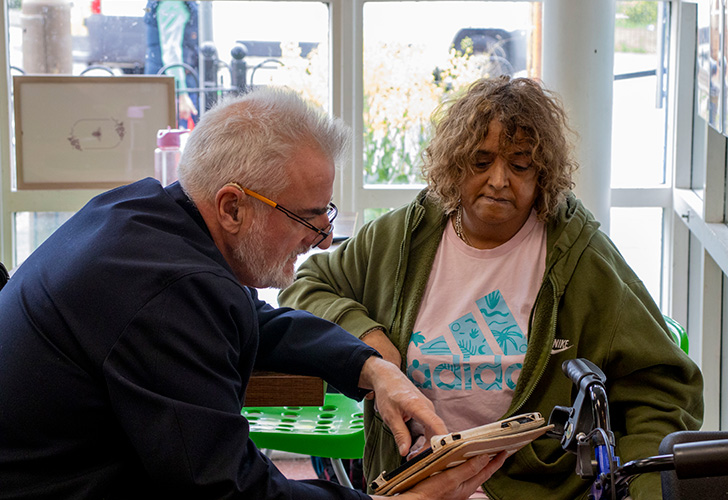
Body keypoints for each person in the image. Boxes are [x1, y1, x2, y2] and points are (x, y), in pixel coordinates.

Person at [0, 87, 508, 499]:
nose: (325, 238)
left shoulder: (147, 218)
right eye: (307, 216)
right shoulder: (169, 291)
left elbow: (253, 320)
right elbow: (228, 490)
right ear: (233, 207)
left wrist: (372, 369)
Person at [279, 75, 704, 499]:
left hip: (536, 490)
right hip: (411, 484)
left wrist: (645, 488)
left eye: (519, 165)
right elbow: (307, 285)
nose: (499, 180)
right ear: (454, 163)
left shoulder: (581, 256)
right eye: (481, 162)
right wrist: (368, 340)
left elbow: (664, 387)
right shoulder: (403, 237)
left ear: (543, 174)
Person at [145, 0, 200, 128]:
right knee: (177, 141)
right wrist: (181, 93)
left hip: (169, 84)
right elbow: (171, 51)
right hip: (173, 87)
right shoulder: (172, 4)